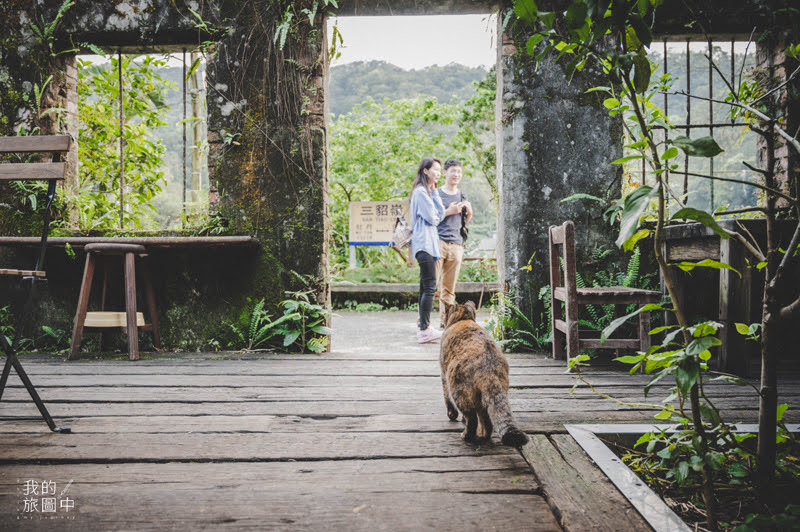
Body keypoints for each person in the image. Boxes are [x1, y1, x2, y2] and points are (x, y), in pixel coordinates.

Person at [409, 157, 445, 343]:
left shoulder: (425, 191)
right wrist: (437, 202)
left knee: (425, 287)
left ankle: (424, 327)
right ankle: (424, 329)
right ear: (425, 171)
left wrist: (435, 192)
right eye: (435, 170)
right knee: (430, 287)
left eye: (440, 170)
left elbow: (439, 215)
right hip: (425, 244)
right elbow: (434, 218)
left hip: (426, 244)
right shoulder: (422, 192)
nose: (438, 173)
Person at [435, 158, 472, 328]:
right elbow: (431, 218)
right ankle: (424, 323)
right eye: (453, 171)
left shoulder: (462, 195)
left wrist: (469, 211)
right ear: (445, 173)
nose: (456, 175)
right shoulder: (436, 194)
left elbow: (464, 221)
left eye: (459, 172)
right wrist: (449, 211)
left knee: (449, 289)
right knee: (430, 285)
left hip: (456, 244)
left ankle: (445, 321)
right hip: (438, 242)